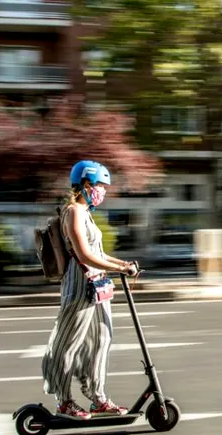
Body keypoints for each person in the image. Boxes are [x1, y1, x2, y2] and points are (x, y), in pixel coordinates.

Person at [41, 160, 139, 420]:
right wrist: (119, 269)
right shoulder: (73, 211)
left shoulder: (86, 213)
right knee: (67, 344)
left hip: (97, 285)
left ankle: (98, 399)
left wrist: (122, 265)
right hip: (79, 286)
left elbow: (98, 253)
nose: (103, 191)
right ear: (86, 184)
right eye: (100, 186)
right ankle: (64, 402)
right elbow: (84, 255)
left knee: (101, 341)